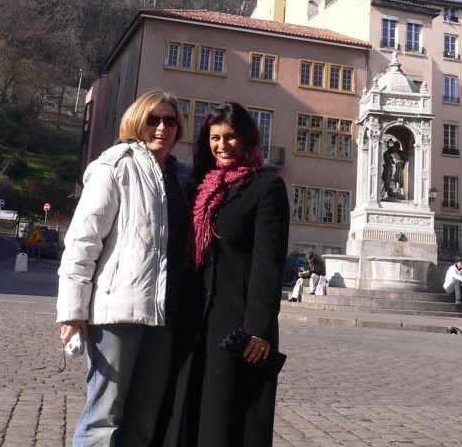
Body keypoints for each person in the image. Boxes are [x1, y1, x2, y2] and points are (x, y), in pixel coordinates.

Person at [56, 90, 189, 447]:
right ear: (137, 121)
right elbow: (83, 242)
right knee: (104, 416)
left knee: (144, 416)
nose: (162, 127)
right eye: (153, 119)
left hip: (162, 316)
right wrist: (72, 311)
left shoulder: (180, 177)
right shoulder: (115, 165)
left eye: (170, 120)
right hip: (117, 313)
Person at [158, 101, 290, 447]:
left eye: (230, 137)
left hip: (237, 320)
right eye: (215, 138)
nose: (222, 145)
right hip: (194, 317)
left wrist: (259, 329)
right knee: (186, 409)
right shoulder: (202, 186)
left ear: (246, 139)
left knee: (226, 416)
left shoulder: (266, 188)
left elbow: (269, 262)